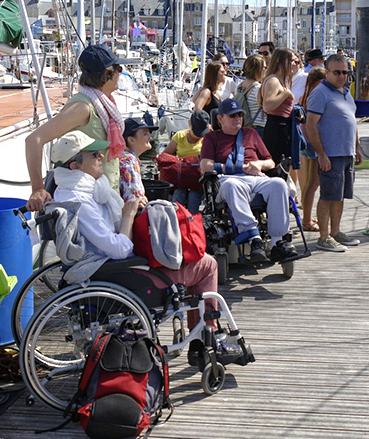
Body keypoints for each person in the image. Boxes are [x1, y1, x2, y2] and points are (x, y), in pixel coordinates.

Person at [49, 131, 239, 358]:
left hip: (109, 268)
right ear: (74, 166)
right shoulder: (82, 202)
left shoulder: (73, 191)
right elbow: (120, 249)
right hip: (120, 273)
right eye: (93, 155)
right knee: (207, 264)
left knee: (181, 251)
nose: (101, 156)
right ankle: (207, 338)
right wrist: (128, 215)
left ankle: (201, 337)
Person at [26, 44, 129, 211]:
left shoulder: (105, 104)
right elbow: (33, 140)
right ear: (107, 74)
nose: (121, 72)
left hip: (105, 197)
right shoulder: (83, 107)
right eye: (118, 68)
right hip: (86, 203)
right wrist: (38, 189)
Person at [200, 98, 295, 263]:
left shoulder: (250, 134)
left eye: (239, 115)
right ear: (220, 119)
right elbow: (205, 166)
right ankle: (254, 237)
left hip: (254, 178)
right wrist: (239, 168)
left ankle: (277, 242)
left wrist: (258, 164)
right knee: (232, 185)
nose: (237, 118)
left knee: (279, 184)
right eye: (232, 116)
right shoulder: (212, 138)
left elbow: (270, 162)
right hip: (228, 179)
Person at [305, 54, 362, 252]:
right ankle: (323, 237)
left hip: (346, 153)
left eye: (345, 72)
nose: (341, 76)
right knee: (328, 195)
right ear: (327, 72)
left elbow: (351, 122)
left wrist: (356, 147)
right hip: (331, 153)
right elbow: (311, 125)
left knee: (340, 196)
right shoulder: (320, 93)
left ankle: (336, 232)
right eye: (336, 72)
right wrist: (321, 153)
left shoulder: (346, 93)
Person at [161, 109, 210, 214]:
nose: (198, 135)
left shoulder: (208, 137)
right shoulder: (180, 136)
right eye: (196, 131)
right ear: (189, 124)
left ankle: (192, 223)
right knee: (178, 195)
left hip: (199, 179)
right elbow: (165, 156)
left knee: (194, 196)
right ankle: (177, 220)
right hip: (182, 178)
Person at [260, 47, 299, 169]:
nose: (294, 64)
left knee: (285, 166)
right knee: (278, 166)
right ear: (281, 62)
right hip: (277, 128)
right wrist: (286, 94)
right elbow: (267, 106)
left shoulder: (282, 80)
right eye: (291, 61)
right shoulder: (273, 81)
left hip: (284, 127)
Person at [298, 67, 326, 232]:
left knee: (308, 182)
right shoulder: (315, 96)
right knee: (313, 182)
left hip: (305, 141)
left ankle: (306, 216)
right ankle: (307, 220)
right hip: (313, 142)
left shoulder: (304, 96)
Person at [119, 117, 159, 205]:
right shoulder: (129, 160)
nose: (150, 137)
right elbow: (134, 198)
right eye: (145, 134)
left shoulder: (123, 157)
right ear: (131, 140)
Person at [236, 54, 267, 135]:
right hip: (258, 127)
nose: (266, 70)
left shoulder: (240, 86)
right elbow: (267, 108)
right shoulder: (258, 88)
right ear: (258, 69)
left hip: (244, 127)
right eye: (264, 67)